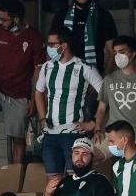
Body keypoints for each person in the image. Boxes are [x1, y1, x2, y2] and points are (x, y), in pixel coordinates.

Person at [0, 0, 43, 165]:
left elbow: (37, 70)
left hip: (20, 92)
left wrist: (34, 100)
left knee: (18, 138)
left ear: (17, 18)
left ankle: (15, 176)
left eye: (4, 19)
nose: (0, 22)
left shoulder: (34, 37)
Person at [34, 26, 103, 179]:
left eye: (52, 44)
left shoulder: (84, 67)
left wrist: (94, 123)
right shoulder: (47, 67)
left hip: (73, 133)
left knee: (76, 177)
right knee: (53, 181)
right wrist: (42, 118)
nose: (48, 48)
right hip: (50, 133)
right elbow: (38, 93)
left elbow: (106, 94)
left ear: (63, 45)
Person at [94, 36, 136, 150]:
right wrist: (98, 129)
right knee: (88, 153)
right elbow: (101, 109)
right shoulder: (109, 79)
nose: (118, 56)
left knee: (131, 162)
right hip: (111, 136)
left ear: (133, 54)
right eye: (115, 52)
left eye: (122, 52)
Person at [51, 0, 116, 72]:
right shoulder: (61, 15)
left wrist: (103, 81)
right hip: (65, 74)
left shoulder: (104, 16)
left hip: (94, 75)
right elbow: (53, 47)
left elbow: (113, 52)